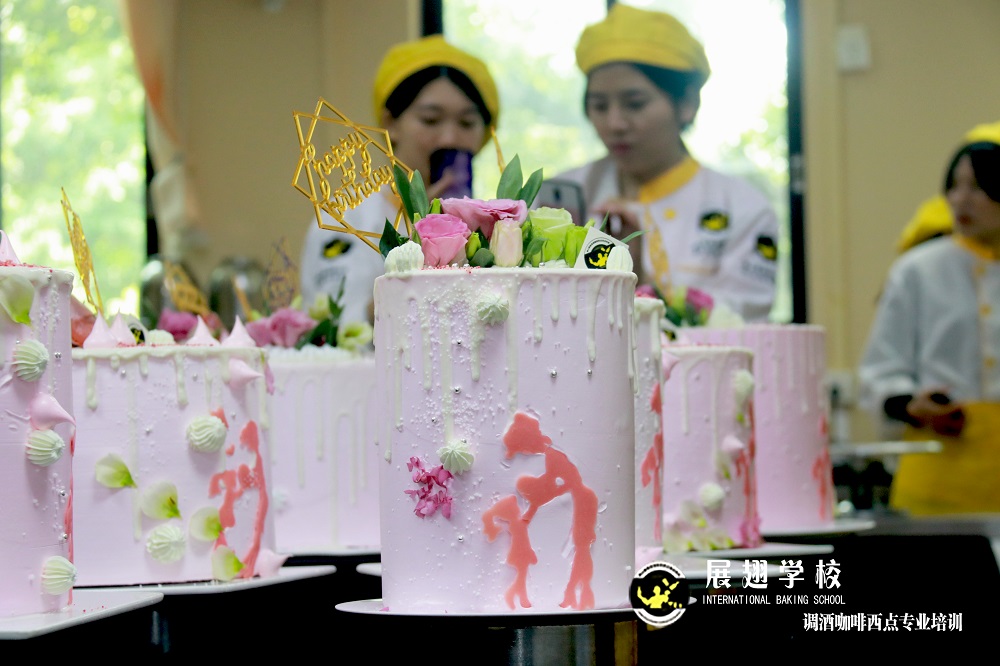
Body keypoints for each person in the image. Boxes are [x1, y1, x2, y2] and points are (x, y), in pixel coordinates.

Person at [551, 4, 779, 322]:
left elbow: (737, 326)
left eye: (635, 104)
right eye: (599, 106)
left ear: (687, 104)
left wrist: (639, 287)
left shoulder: (744, 210)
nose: (614, 123)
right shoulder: (561, 197)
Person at [299, 35, 499, 325]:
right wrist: (426, 247)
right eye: (430, 120)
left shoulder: (501, 224)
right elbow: (330, 326)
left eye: (467, 123)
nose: (450, 138)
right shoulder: (345, 219)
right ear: (391, 123)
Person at [857, 134, 1000, 515]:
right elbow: (879, 371)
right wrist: (912, 404)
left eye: (977, 187)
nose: (961, 200)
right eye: (954, 186)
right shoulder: (917, 270)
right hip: (938, 467)